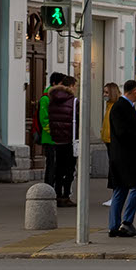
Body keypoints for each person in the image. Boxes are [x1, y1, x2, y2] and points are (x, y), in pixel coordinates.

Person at [107, 80, 136, 237]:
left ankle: (114, 226)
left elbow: (129, 129)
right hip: (126, 156)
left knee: (121, 188)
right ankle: (126, 222)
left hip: (120, 155)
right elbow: (123, 132)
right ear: (135, 91)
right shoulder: (121, 107)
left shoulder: (124, 106)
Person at [40, 73, 77, 206]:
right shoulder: (72, 101)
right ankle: (63, 195)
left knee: (57, 168)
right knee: (65, 169)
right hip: (64, 139)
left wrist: (55, 133)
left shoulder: (52, 99)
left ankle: (56, 193)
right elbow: (45, 119)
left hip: (56, 139)